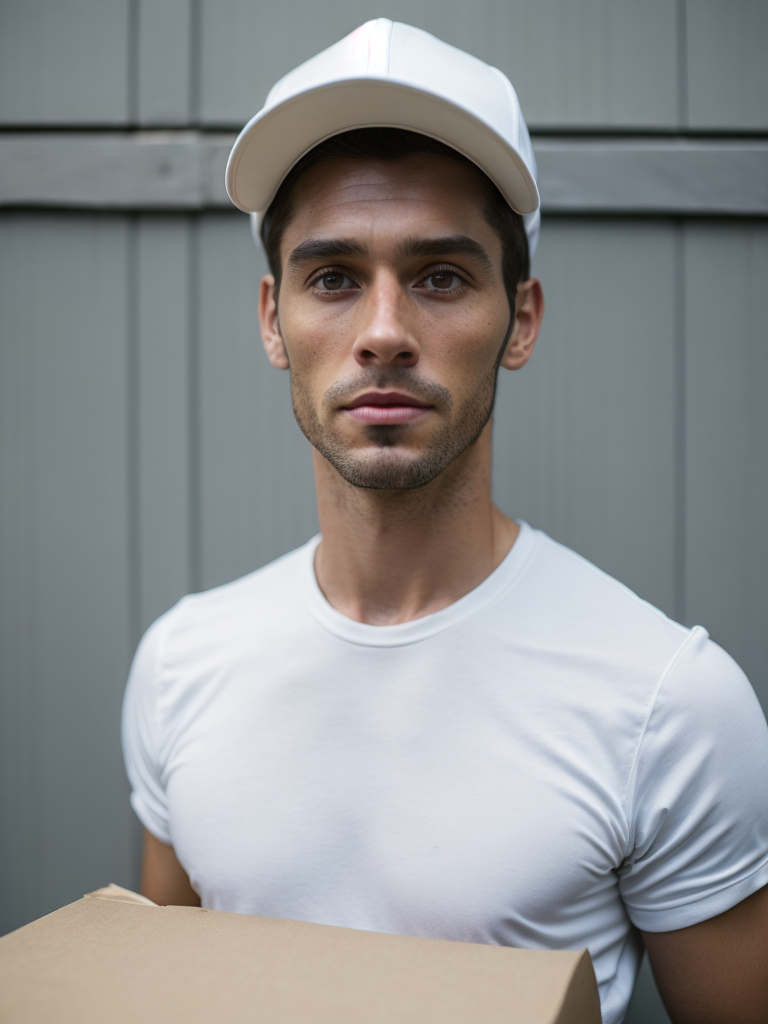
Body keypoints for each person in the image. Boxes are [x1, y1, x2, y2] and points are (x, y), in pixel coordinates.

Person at [122, 20, 768, 1024]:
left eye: (440, 276)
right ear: (270, 317)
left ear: (523, 319)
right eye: (333, 277)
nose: (384, 332)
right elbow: (158, 996)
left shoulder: (671, 707)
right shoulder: (178, 665)